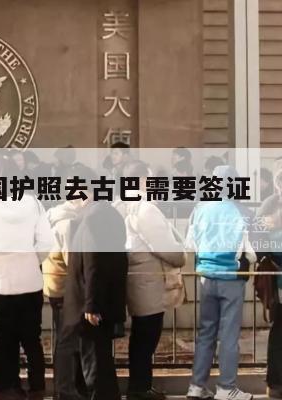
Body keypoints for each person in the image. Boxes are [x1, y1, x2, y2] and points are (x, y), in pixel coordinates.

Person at [0, 156, 54, 400]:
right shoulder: (33, 203)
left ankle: (2, 389)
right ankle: (37, 388)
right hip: (30, 281)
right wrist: (30, 259)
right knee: (31, 339)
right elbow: (46, 242)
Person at [114, 161, 186, 400]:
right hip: (149, 282)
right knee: (146, 338)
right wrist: (182, 255)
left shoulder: (119, 205)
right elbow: (167, 248)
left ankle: (140, 386)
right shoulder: (145, 209)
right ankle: (140, 388)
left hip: (133, 277)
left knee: (140, 337)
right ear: (143, 181)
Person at [185, 165, 256, 400]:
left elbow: (190, 244)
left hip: (206, 276)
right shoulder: (243, 212)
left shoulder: (200, 209)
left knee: (206, 332)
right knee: (228, 335)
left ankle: (197, 386)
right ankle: (226, 387)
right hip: (232, 279)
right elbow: (252, 252)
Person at [62, 182, 128, 400]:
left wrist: (91, 304)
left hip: (88, 301)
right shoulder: (109, 214)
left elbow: (93, 263)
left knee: (93, 363)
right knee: (100, 359)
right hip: (104, 298)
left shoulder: (92, 218)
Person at [43, 165, 97, 400]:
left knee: (70, 338)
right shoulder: (68, 222)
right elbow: (74, 261)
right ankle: (66, 390)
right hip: (68, 287)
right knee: (68, 340)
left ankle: (72, 387)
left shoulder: (55, 215)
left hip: (57, 284)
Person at [256, 169, 282, 399]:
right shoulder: (271, 207)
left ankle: (275, 384)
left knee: (278, 330)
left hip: (277, 279)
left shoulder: (269, 206)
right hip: (278, 279)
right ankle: (275, 383)